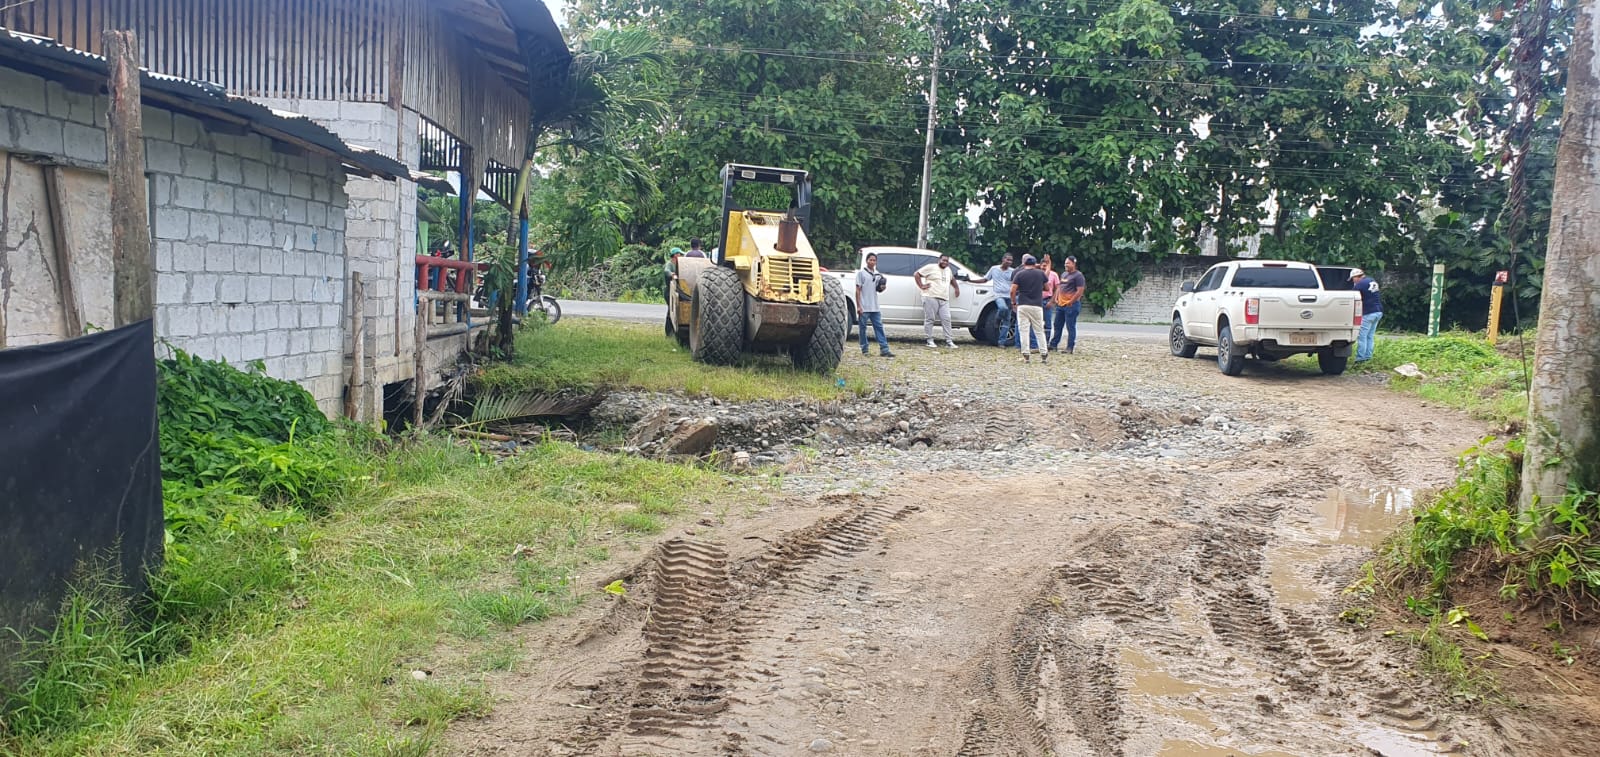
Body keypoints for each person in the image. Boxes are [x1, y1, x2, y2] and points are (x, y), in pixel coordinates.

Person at [914, 253, 961, 349]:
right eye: (943, 260)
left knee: (946, 319)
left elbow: (952, 279)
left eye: (947, 261)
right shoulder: (931, 267)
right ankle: (929, 340)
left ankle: (949, 341)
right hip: (930, 296)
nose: (945, 262)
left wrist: (956, 288)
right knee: (930, 319)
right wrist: (921, 285)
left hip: (944, 298)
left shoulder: (948, 270)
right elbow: (917, 274)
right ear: (939, 260)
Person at [1010, 255, 1049, 363]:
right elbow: (1047, 288)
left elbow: (1012, 290)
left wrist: (1013, 303)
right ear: (1035, 264)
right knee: (1039, 330)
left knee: (1024, 330)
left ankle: (1026, 355)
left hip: (1023, 305)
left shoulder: (1019, 274)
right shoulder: (1040, 273)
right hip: (1037, 305)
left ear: (1024, 264)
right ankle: (1044, 354)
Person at [855, 253, 894, 358]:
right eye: (870, 260)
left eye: (874, 260)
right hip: (864, 306)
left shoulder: (877, 274)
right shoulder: (861, 274)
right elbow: (858, 290)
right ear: (866, 261)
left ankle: (884, 349)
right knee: (862, 329)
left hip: (874, 306)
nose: (872, 262)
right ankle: (864, 349)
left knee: (879, 327)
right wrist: (859, 305)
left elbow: (878, 289)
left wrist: (882, 287)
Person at [978, 253, 1017, 346]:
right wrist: (970, 280)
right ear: (1003, 259)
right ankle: (998, 318)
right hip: (999, 295)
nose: (1009, 262)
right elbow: (985, 279)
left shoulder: (1013, 271)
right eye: (1008, 259)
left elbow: (1015, 283)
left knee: (1007, 320)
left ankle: (1001, 342)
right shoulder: (994, 269)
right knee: (1003, 308)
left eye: (1011, 260)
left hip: (1009, 296)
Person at [1050, 256, 1086, 353]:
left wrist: (1071, 301)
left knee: (1070, 326)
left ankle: (1070, 347)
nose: (1066, 265)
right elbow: (1060, 287)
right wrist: (1057, 297)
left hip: (1071, 305)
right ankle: (1053, 345)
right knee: (1057, 325)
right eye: (1065, 263)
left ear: (1074, 264)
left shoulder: (1078, 276)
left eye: (1068, 263)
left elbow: (1080, 291)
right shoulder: (1064, 274)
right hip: (1061, 304)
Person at [1351, 268, 1383, 362]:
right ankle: (1368, 356)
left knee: (1362, 336)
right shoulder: (1372, 280)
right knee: (1370, 335)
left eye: (1353, 279)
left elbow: (1352, 295)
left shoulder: (1360, 284)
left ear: (1356, 277)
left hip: (1368, 312)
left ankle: (1360, 358)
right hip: (1378, 311)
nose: (1353, 281)